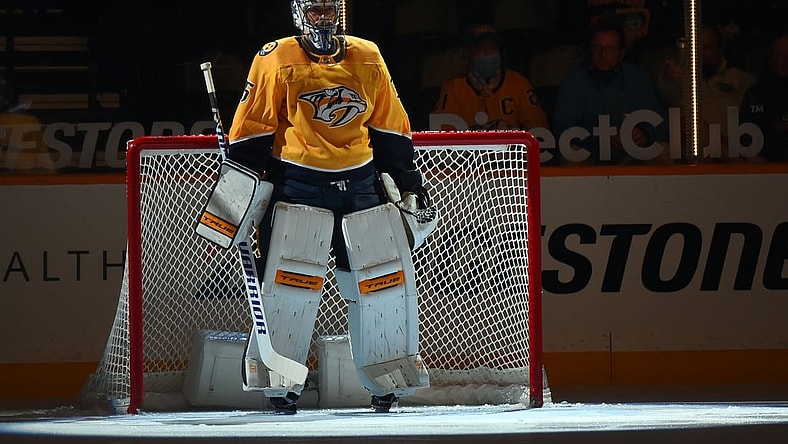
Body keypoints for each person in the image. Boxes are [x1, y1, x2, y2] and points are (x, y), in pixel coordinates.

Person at [221, 0, 433, 414]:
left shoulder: (367, 55)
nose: (323, 18)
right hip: (298, 187)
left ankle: (386, 378)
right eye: (314, 10)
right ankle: (280, 384)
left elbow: (390, 126)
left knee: (380, 284)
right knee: (288, 287)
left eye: (329, 8)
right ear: (298, 13)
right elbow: (250, 133)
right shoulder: (276, 56)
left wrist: (409, 183)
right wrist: (236, 198)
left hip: (361, 186)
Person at [552, 19, 667, 165]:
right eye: (597, 48)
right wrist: (602, 137)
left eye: (610, 49)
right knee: (569, 155)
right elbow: (563, 128)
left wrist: (644, 134)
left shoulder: (638, 78)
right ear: (590, 50)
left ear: (621, 53)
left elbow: (660, 124)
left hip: (632, 155)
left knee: (664, 152)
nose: (603, 54)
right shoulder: (575, 79)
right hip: (589, 155)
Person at [658, 24, 756, 160]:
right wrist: (670, 76)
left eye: (707, 47)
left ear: (719, 49)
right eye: (695, 47)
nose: (700, 53)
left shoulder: (739, 78)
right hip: (687, 152)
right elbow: (667, 90)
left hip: (731, 147)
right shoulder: (676, 77)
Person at [432, 24, 548, 131]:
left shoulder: (519, 84)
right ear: (469, 54)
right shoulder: (453, 89)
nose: (488, 55)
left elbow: (538, 131)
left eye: (492, 49)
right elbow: (442, 136)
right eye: (481, 50)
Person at [740, 33, 788, 162]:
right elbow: (746, 137)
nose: (786, 60)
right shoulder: (755, 94)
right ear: (771, 58)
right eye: (781, 55)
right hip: (766, 166)